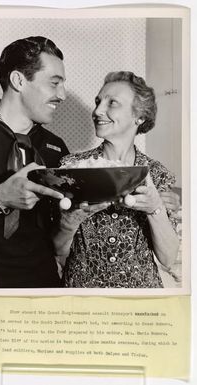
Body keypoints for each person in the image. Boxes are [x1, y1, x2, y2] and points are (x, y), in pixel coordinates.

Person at [54, 71, 180, 289]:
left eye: (112, 103)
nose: (97, 111)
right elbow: (57, 251)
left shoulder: (157, 174)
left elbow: (168, 258)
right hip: (83, 297)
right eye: (98, 101)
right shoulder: (70, 168)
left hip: (140, 300)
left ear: (139, 117)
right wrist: (69, 222)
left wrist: (155, 208)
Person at [0, 36, 69, 288]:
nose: (63, 95)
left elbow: (57, 232)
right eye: (54, 83)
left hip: (44, 286)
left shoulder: (56, 148)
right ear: (18, 81)